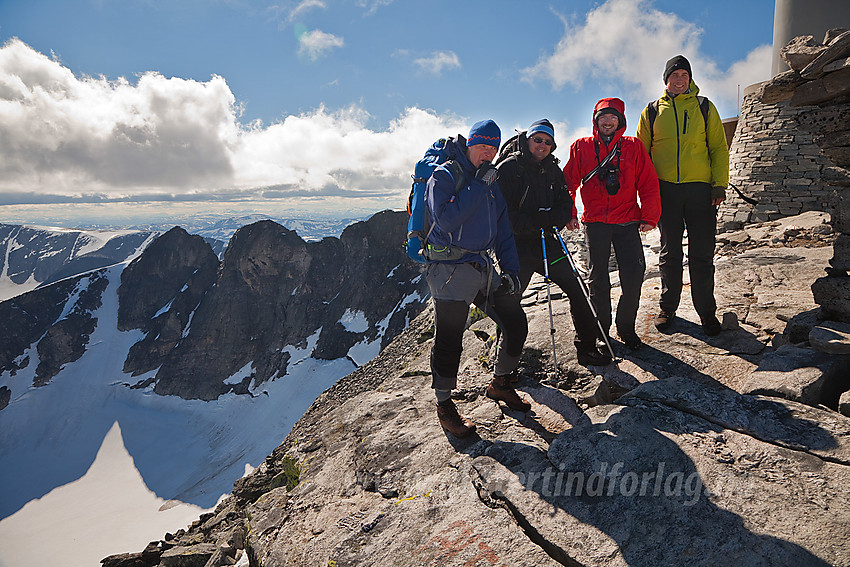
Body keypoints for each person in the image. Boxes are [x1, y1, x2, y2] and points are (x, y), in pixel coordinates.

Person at [425, 119, 531, 438]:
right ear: (469, 144)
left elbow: (502, 232)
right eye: (482, 145)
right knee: (449, 340)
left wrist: (511, 270)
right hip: (449, 272)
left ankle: (500, 383)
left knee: (515, 323)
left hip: (482, 269)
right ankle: (445, 406)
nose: (488, 152)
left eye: (493, 147)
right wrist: (479, 185)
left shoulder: (490, 181)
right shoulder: (444, 175)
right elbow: (445, 220)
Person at [496, 119, 611, 366]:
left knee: (578, 290)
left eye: (548, 142)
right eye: (538, 139)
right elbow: (503, 214)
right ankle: (504, 361)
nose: (543, 145)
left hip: (547, 241)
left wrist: (550, 221)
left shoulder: (552, 169)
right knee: (510, 299)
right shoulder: (508, 169)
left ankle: (587, 349)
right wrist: (542, 221)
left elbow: (565, 203)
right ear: (528, 140)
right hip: (516, 247)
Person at [636, 55, 729, 336]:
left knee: (702, 254)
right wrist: (645, 194)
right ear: (666, 80)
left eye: (684, 76)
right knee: (669, 252)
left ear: (690, 79)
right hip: (665, 190)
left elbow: (718, 148)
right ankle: (668, 308)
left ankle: (707, 313)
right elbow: (641, 155)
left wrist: (719, 185)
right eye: (674, 76)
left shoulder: (704, 107)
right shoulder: (652, 111)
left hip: (700, 190)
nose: (679, 80)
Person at [563, 98, 661, 351]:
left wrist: (650, 217)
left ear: (620, 121)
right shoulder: (581, 147)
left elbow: (648, 183)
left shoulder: (634, 147)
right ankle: (601, 330)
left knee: (634, 276)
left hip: (628, 220)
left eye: (613, 118)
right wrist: (570, 213)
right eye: (603, 118)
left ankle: (626, 327)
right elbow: (568, 184)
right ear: (596, 121)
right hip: (595, 223)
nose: (608, 122)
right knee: (598, 279)